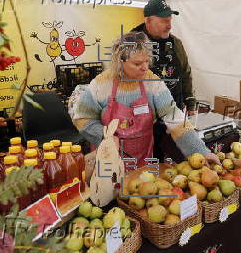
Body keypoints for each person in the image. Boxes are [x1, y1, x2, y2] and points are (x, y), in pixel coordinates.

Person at [72, 31, 220, 168]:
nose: (145, 68)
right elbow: (83, 118)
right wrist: (104, 137)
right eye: (137, 63)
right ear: (120, 62)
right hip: (108, 161)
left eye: (147, 61)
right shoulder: (101, 84)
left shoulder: (153, 83)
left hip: (143, 162)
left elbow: (175, 119)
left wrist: (201, 151)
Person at [131, 0, 196, 114]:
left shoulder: (175, 43)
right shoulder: (131, 44)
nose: (169, 26)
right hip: (146, 117)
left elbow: (185, 72)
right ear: (148, 21)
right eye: (164, 21)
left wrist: (190, 103)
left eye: (170, 20)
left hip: (175, 112)